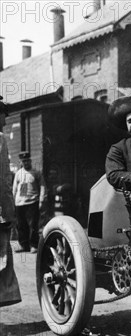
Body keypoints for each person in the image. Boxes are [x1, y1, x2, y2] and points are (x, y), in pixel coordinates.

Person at [0, 96, 22, 306]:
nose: (5, 122)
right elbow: (3, 181)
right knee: (1, 259)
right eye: (2, 116)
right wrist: (9, 213)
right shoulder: (0, 139)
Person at [12, 152, 46, 253]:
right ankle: (23, 245)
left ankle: (33, 245)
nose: (26, 163)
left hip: (32, 202)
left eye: (27, 160)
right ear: (21, 162)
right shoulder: (18, 173)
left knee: (33, 225)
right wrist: (12, 202)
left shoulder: (36, 172)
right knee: (21, 225)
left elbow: (43, 186)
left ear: (30, 161)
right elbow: (15, 189)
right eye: (23, 161)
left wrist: (41, 200)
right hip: (20, 203)